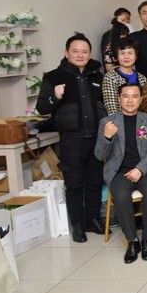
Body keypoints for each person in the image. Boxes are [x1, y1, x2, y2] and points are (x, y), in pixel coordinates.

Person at [36, 33, 107, 243]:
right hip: (72, 139)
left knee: (95, 181)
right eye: (75, 51)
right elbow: (42, 107)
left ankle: (92, 220)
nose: (80, 55)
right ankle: (77, 225)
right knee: (74, 184)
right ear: (66, 53)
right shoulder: (54, 77)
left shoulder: (97, 76)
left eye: (84, 51)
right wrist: (55, 96)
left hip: (96, 137)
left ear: (90, 54)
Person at [94, 83, 147, 263]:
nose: (130, 100)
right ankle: (132, 241)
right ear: (119, 99)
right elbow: (99, 154)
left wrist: (140, 169)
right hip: (119, 172)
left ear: (141, 99)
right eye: (126, 96)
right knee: (121, 195)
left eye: (134, 96)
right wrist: (107, 137)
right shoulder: (108, 122)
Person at [102, 37, 147, 115]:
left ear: (136, 56)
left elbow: (145, 106)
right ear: (117, 56)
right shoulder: (110, 77)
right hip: (117, 121)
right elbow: (110, 107)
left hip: (140, 121)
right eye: (122, 53)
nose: (126, 57)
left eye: (130, 53)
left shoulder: (142, 79)